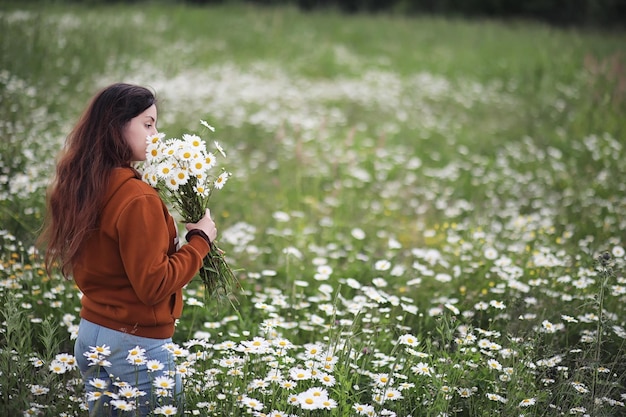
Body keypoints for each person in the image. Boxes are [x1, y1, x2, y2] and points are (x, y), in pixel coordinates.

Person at [39, 83, 217, 416]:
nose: (156, 134)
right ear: (116, 127)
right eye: (148, 124)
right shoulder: (137, 197)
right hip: (136, 345)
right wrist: (200, 242)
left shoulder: (86, 183)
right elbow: (153, 285)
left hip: (91, 334)